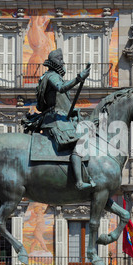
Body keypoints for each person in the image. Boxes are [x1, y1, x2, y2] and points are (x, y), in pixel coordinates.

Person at [34, 49, 95, 191]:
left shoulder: (52, 76)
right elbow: (61, 89)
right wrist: (79, 78)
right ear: (55, 61)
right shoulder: (51, 76)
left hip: (59, 117)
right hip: (55, 119)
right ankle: (79, 182)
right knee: (78, 143)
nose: (63, 62)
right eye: (60, 59)